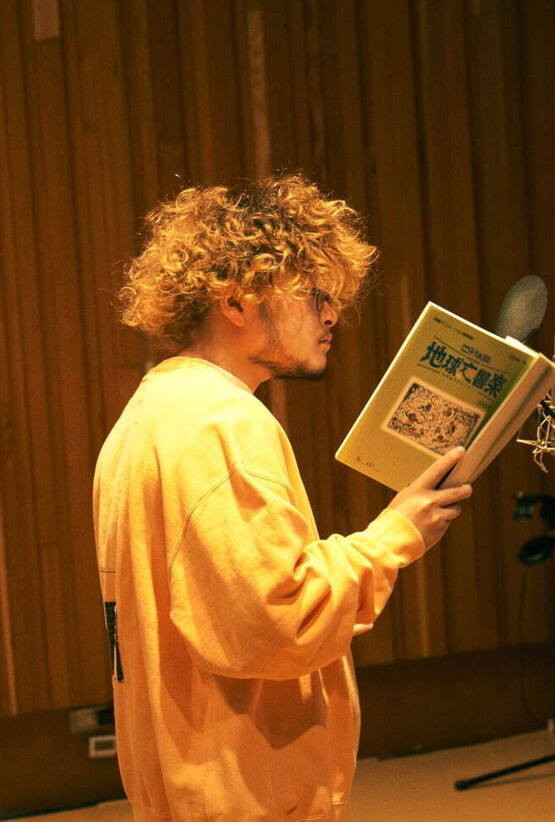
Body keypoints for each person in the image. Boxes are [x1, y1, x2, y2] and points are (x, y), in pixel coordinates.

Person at [93, 173, 472, 821]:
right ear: (236, 300)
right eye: (316, 294)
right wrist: (394, 536)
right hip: (240, 789)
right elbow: (278, 618)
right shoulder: (220, 422)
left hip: (189, 782)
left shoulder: (152, 408)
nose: (332, 315)